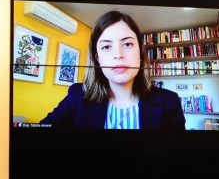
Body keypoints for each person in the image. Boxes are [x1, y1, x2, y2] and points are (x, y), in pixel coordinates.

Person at [41, 11, 186, 130]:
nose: (118, 54)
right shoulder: (77, 96)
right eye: (106, 47)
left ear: (140, 54)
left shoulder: (169, 102)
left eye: (128, 44)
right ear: (97, 58)